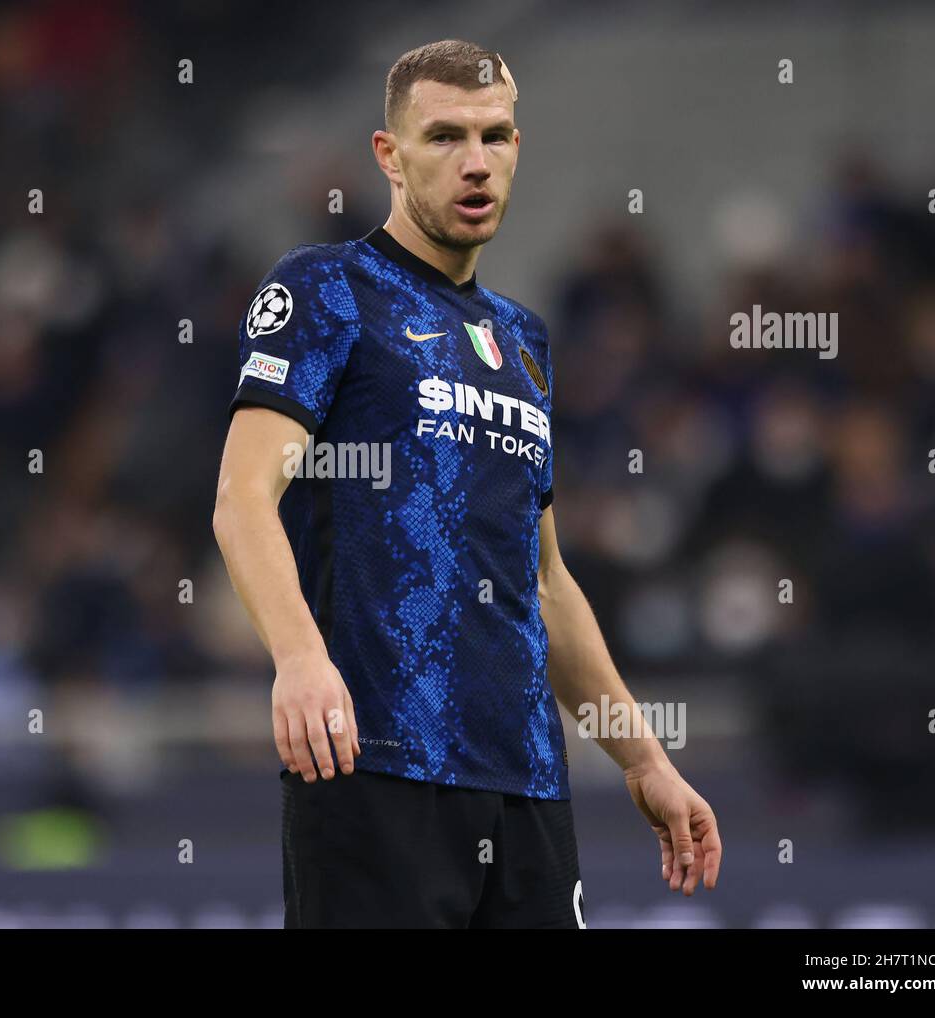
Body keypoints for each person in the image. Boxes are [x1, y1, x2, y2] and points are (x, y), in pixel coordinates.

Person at [213, 39, 722, 928]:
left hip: (525, 778)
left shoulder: (524, 341)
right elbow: (242, 497)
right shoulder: (327, 289)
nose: (475, 162)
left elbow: (547, 580)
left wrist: (645, 761)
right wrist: (299, 658)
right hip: (375, 762)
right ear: (389, 154)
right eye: (444, 136)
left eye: (496, 136)